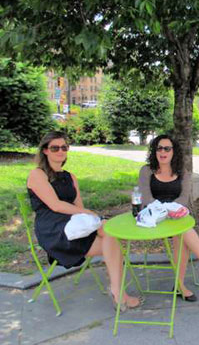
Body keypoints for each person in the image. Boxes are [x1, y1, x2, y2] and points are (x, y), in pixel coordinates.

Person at [27, 131, 141, 310]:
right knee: (113, 243)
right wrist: (88, 213)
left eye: (64, 147)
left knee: (110, 234)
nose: (60, 151)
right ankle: (119, 293)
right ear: (45, 151)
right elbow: (56, 206)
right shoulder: (37, 174)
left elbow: (77, 206)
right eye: (55, 148)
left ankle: (117, 291)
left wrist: (93, 219)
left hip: (76, 225)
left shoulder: (70, 176)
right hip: (55, 231)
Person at [139, 134, 199, 302]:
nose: (162, 152)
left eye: (167, 148)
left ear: (174, 152)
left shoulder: (182, 172)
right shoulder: (146, 170)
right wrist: (165, 210)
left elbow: (183, 198)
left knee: (181, 232)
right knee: (184, 230)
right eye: (159, 148)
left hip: (176, 216)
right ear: (154, 151)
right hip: (154, 218)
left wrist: (173, 210)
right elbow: (146, 198)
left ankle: (180, 285)